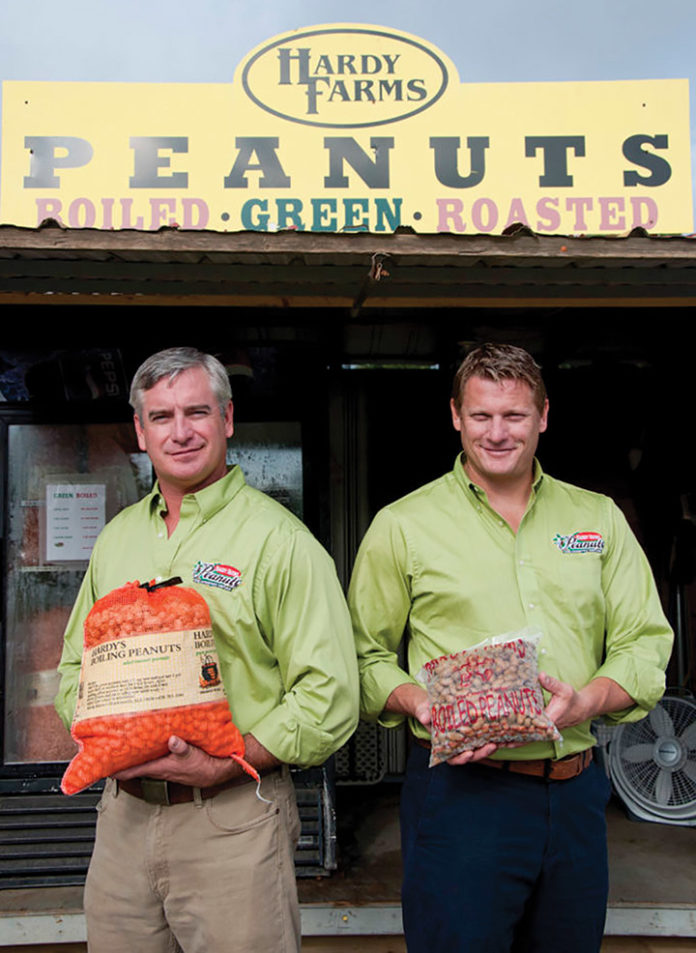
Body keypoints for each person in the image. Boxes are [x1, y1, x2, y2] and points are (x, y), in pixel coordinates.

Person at [349, 343, 673, 953]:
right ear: (455, 416)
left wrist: (588, 700)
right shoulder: (403, 525)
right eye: (481, 416)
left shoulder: (597, 519)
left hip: (575, 791)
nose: (497, 433)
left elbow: (644, 644)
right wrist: (422, 703)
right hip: (460, 798)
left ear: (543, 416)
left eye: (514, 416)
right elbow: (363, 655)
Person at [55, 346, 359, 953]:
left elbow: (330, 693)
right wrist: (113, 739)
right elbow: (74, 670)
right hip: (122, 819)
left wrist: (228, 759)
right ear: (140, 432)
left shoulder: (280, 541)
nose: (182, 431)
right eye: (162, 417)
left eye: (198, 411)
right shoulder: (116, 540)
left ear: (227, 420)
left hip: (232, 820)